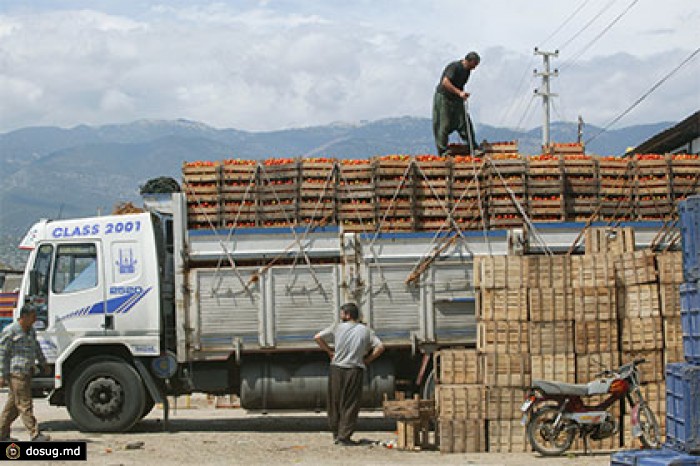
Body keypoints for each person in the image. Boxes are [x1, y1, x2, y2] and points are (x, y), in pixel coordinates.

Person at [314, 303, 384, 446]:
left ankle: (335, 434)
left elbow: (317, 337)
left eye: (342, 313)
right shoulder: (365, 330)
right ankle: (344, 436)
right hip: (355, 369)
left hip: (336, 368)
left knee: (335, 402)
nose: (340, 316)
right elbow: (380, 347)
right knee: (350, 403)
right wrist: (367, 360)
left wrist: (329, 352)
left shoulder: (337, 327)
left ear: (347, 315)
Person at [0, 303, 50, 441]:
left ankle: (2, 435)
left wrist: (43, 363)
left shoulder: (31, 331)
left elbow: (37, 348)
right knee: (25, 404)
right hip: (16, 373)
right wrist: (2, 375)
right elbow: (2, 354)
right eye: (33, 317)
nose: (35, 320)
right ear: (24, 316)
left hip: (27, 372)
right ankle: (35, 434)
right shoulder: (10, 331)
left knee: (13, 407)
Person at [433, 52, 480, 156]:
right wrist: (459, 93)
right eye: (474, 65)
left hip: (456, 98)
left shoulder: (467, 71)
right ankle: (443, 151)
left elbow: (460, 85)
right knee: (444, 124)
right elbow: (445, 82)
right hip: (444, 97)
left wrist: (462, 94)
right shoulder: (454, 67)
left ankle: (473, 148)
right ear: (468, 61)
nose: (474, 68)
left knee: (464, 122)